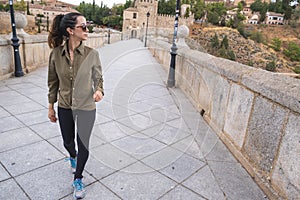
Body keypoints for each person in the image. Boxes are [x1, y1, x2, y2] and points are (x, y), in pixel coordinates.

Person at [47, 12, 103, 199]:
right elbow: (53, 82)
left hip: (86, 106)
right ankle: (72, 155)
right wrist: (50, 106)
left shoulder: (92, 54)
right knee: (68, 142)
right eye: (83, 27)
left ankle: (78, 178)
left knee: (83, 144)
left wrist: (99, 91)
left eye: (88, 26)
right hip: (64, 106)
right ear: (71, 30)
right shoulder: (55, 55)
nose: (88, 30)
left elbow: (98, 78)